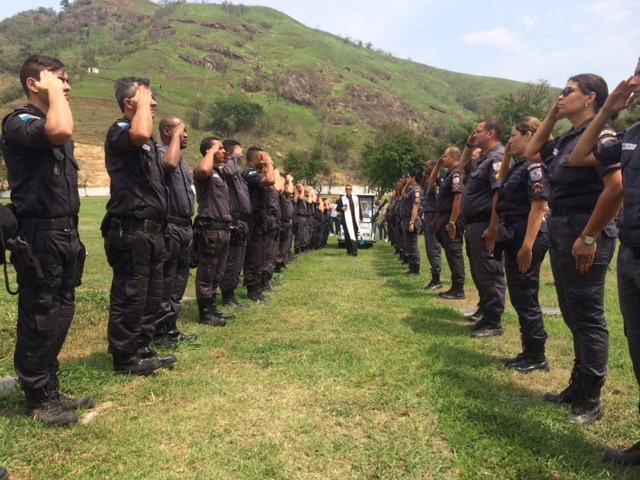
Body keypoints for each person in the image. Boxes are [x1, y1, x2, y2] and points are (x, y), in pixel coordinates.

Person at [0, 54, 93, 425]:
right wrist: (53, 92)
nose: (67, 86)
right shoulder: (18, 121)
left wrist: (55, 93)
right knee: (41, 316)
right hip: (38, 234)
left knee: (62, 312)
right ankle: (37, 398)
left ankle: (50, 387)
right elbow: (59, 132)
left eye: (67, 80)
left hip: (65, 232)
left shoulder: (55, 119)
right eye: (59, 79)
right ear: (33, 84)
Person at [525, 73, 621, 425]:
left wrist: (591, 236)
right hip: (565, 227)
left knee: (588, 315)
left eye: (567, 92)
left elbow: (616, 188)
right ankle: (578, 385)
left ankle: (590, 398)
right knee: (570, 309)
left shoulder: (603, 136)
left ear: (590, 98)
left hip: (587, 228)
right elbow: (531, 150)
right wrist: (551, 114)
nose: (560, 96)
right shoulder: (569, 138)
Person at [569, 60, 640, 461]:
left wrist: (591, 234)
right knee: (638, 349)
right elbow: (580, 155)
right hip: (631, 253)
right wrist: (609, 111)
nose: (632, 81)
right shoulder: (629, 134)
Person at [103, 76, 175, 376]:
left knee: (151, 295)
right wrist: (141, 105)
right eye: (148, 98)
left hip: (153, 233)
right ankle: (125, 357)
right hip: (131, 230)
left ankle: (142, 347)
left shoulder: (149, 145)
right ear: (129, 103)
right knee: (130, 295)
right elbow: (141, 131)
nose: (155, 103)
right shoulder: (121, 130)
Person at [495, 117, 550, 372]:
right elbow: (501, 178)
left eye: (513, 135)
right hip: (515, 234)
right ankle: (529, 351)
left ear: (529, 135)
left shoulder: (535, 166)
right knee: (519, 295)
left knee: (526, 294)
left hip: (527, 236)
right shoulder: (522, 166)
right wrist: (507, 153)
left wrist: (527, 246)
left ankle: (537, 356)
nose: (509, 140)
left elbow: (538, 207)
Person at [459, 120, 507, 338]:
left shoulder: (498, 157)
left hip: (487, 223)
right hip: (475, 224)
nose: (474, 134)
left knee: (490, 271)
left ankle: (494, 320)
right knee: (481, 271)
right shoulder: (483, 158)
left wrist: (493, 227)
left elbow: (499, 193)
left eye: (478, 131)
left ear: (491, 133)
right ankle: (487, 314)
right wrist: (469, 147)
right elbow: (462, 168)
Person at [154, 115, 196, 346]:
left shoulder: (183, 160)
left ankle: (171, 328)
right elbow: (168, 165)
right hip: (170, 226)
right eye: (182, 130)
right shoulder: (161, 154)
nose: (187, 134)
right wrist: (175, 142)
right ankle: (159, 331)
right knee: (166, 279)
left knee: (179, 280)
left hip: (185, 226)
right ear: (168, 132)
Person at [193, 137, 234, 326]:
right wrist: (211, 150)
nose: (224, 151)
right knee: (207, 271)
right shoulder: (204, 171)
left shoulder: (220, 173)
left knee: (218, 271)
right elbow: (203, 170)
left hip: (223, 230)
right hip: (210, 230)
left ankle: (213, 307)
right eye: (220, 148)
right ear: (209, 150)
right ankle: (205, 313)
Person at [429, 147, 465, 299]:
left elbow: (458, 198)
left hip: (452, 218)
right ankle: (454, 287)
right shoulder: (447, 175)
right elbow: (431, 182)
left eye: (445, 156)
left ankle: (459, 289)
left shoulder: (456, 174)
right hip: (444, 216)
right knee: (450, 253)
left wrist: (452, 221)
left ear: (454, 157)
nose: (443, 158)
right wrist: (437, 165)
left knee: (454, 252)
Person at [219, 139, 251, 308]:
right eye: (239, 152)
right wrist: (234, 157)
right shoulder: (227, 169)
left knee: (238, 261)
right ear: (230, 154)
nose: (242, 155)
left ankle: (232, 294)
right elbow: (228, 172)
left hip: (242, 222)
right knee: (231, 261)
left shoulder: (236, 173)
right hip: (233, 220)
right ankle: (226, 295)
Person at [241, 146, 276, 302]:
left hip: (261, 221)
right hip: (253, 221)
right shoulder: (248, 173)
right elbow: (270, 180)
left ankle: (258, 286)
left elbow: (272, 187)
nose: (265, 161)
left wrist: (266, 166)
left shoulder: (258, 173)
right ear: (254, 159)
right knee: (253, 257)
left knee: (260, 256)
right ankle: (252, 290)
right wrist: (268, 163)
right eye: (261, 158)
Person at [422, 160, 442, 289]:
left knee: (433, 247)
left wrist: (436, 220)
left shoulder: (436, 182)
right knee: (429, 247)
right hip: (428, 214)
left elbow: (439, 201)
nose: (424, 167)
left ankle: (437, 279)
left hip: (434, 215)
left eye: (427, 165)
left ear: (434, 167)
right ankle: (434, 277)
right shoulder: (430, 181)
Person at [401, 170, 423, 276]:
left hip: (412, 220)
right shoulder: (410, 190)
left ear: (413, 177)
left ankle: (416, 268)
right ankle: (412, 266)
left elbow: (415, 207)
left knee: (413, 245)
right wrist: (407, 184)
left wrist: (411, 222)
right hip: (406, 219)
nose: (407, 179)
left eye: (409, 177)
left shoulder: (416, 190)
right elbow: (402, 194)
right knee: (408, 245)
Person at [337, 185, 362, 256]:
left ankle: (354, 250)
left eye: (349, 189)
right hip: (346, 220)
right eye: (347, 189)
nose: (348, 190)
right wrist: (341, 208)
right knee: (347, 235)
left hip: (355, 220)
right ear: (345, 190)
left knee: (354, 234)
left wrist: (361, 218)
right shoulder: (342, 199)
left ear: (352, 190)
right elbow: (336, 208)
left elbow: (359, 209)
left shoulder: (356, 198)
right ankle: (349, 250)